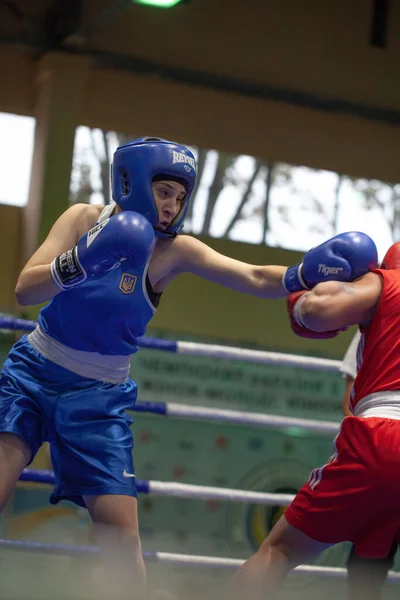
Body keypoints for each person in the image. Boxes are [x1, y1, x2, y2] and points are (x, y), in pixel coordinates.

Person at [2, 136, 377, 599]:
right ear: (130, 183)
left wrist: (302, 274)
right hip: (32, 374)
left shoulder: (175, 251)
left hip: (98, 399)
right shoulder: (83, 219)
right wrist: (83, 259)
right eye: (164, 192)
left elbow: (253, 276)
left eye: (180, 198)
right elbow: (24, 289)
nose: (171, 207)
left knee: (122, 538)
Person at [226, 242, 400, 600]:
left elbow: (321, 311)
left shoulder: (387, 283)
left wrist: (302, 298)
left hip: (384, 437)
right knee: (369, 569)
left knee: (278, 552)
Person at [341, 337, 398, 599]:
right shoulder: (374, 315)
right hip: (378, 453)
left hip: (379, 452)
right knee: (367, 564)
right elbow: (350, 403)